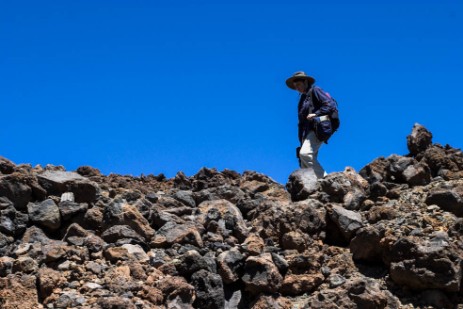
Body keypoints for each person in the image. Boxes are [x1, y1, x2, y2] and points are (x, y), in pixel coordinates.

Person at [286, 71, 336, 178]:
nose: (297, 88)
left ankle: (325, 180)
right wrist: (301, 140)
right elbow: (301, 123)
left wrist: (316, 114)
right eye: (295, 86)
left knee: (305, 154)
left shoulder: (315, 90)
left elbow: (330, 105)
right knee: (305, 164)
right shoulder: (302, 100)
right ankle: (314, 190)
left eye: (298, 84)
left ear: (305, 82)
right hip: (307, 132)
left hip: (318, 128)